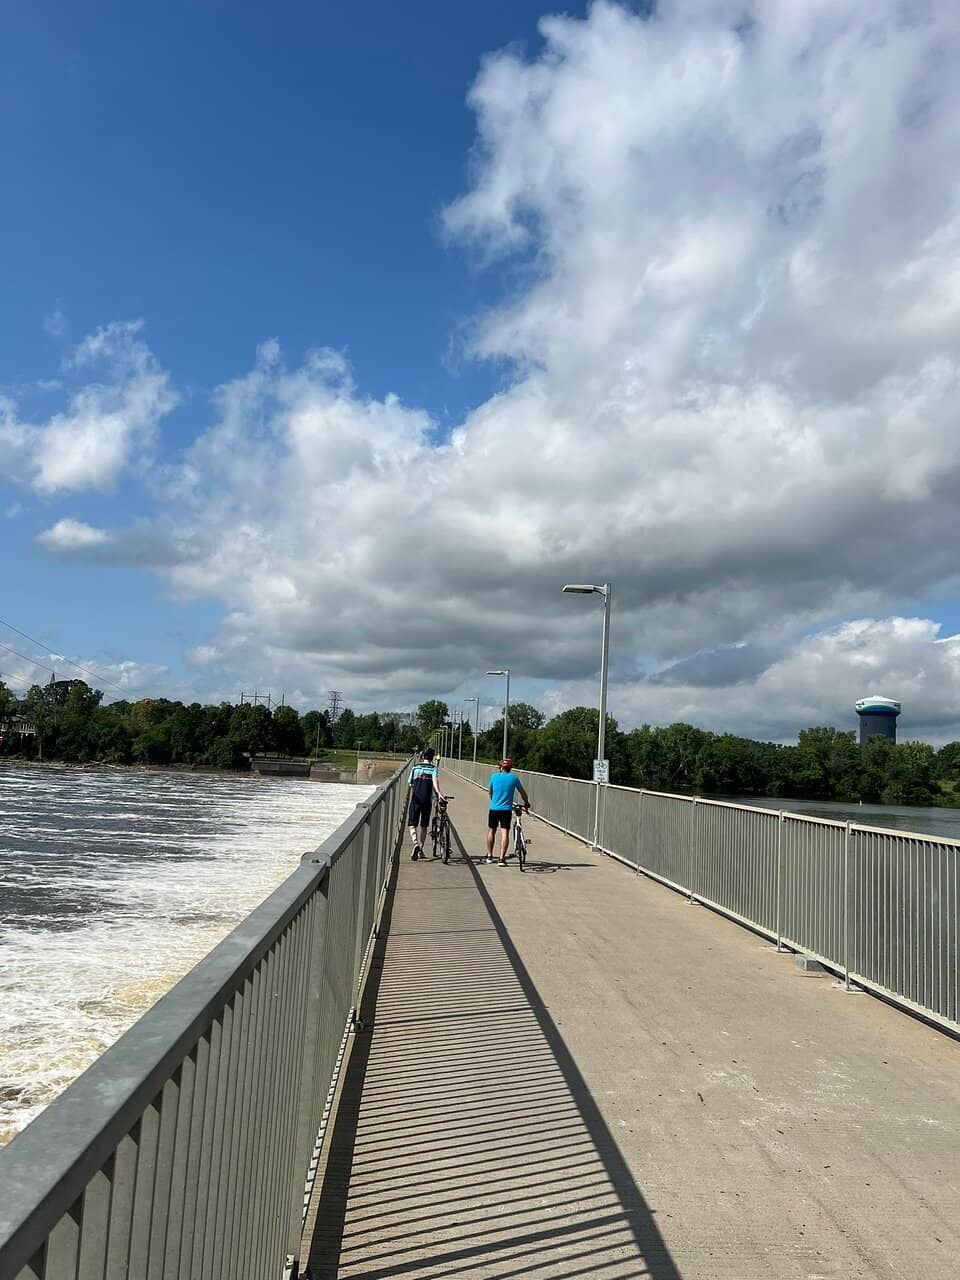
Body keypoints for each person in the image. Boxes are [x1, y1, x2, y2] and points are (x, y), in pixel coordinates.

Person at [486, 758, 530, 865]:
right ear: (510, 769)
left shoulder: (494, 777)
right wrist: (526, 802)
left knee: (491, 831)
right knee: (504, 833)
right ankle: (501, 859)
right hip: (506, 810)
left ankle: (490, 856)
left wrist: (494, 800)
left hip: (494, 809)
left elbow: (490, 792)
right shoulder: (514, 778)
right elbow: (522, 792)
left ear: (501, 768)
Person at [408, 747, 443, 861]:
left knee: (412, 824)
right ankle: (421, 850)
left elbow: (410, 784)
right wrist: (438, 793)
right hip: (427, 801)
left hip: (416, 799)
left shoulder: (415, 767)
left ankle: (415, 844)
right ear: (432, 758)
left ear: (423, 756)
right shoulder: (433, 768)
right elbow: (435, 781)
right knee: (424, 826)